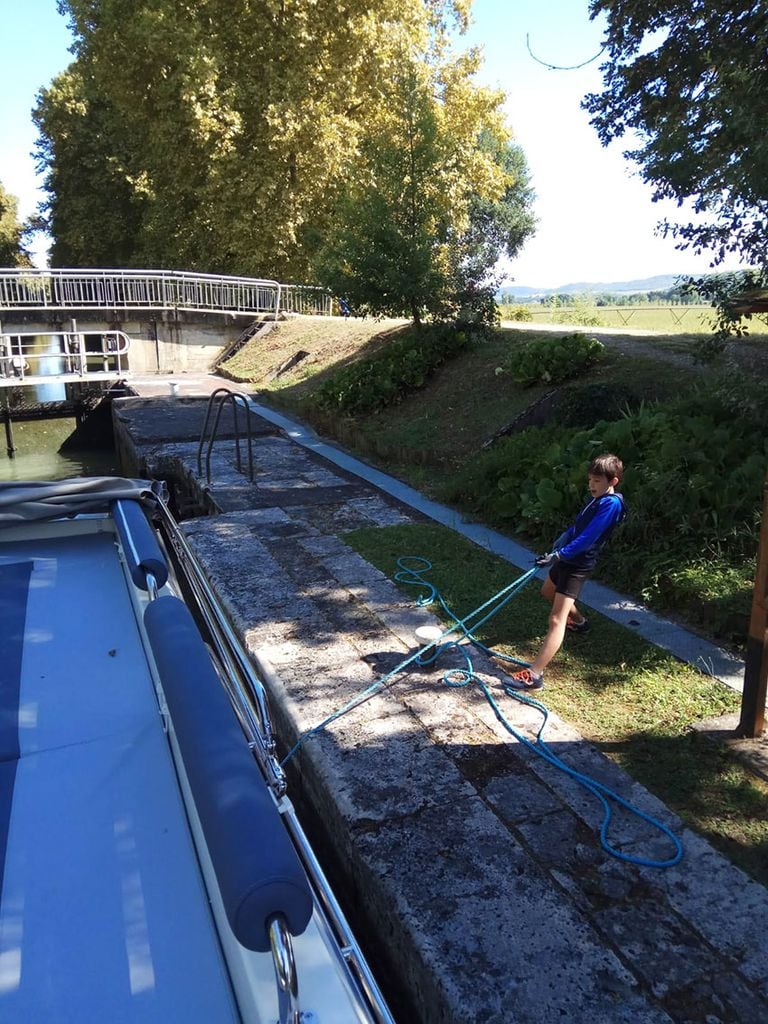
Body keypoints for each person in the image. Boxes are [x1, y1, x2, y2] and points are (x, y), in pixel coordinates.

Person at [509, 453, 626, 691]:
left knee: (555, 619)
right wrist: (562, 541)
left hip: (578, 563)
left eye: (597, 481)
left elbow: (589, 537)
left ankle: (535, 675)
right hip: (568, 555)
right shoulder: (597, 499)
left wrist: (559, 555)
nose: (591, 485)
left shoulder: (611, 504)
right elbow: (579, 526)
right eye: (590, 480)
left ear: (613, 481)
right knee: (547, 590)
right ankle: (581, 622)